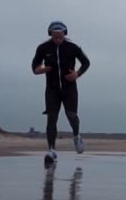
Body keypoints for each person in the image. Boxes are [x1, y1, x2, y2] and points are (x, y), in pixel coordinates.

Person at [31, 21, 90, 161]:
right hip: (52, 89)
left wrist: (77, 74)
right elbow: (34, 66)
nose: (57, 39)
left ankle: (76, 136)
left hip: (69, 88)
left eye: (60, 36)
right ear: (50, 34)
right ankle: (51, 150)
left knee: (72, 116)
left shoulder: (73, 47)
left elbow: (86, 62)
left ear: (65, 33)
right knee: (51, 119)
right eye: (55, 36)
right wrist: (40, 70)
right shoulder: (43, 48)